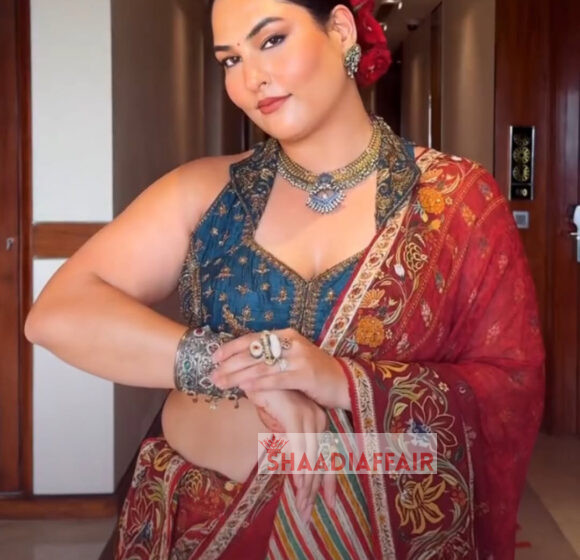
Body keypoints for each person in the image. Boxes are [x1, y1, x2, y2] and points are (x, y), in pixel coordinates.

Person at [24, 0, 545, 558]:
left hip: (375, 534)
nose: (252, 78)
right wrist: (252, 375)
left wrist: (339, 381)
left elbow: (507, 390)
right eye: (230, 59)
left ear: (340, 30)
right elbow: (55, 315)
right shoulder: (205, 192)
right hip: (201, 533)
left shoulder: (455, 202)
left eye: (271, 40)